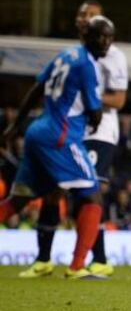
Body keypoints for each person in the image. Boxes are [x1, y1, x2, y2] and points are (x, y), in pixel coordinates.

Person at [0, 16, 115, 279]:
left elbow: (36, 89)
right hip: (60, 138)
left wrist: (16, 126)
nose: (106, 42)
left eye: (110, 37)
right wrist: (94, 120)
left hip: (37, 132)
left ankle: (45, 262)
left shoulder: (65, 55)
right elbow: (95, 111)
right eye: (101, 36)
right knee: (93, 194)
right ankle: (76, 267)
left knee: (17, 201)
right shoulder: (86, 65)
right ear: (87, 36)